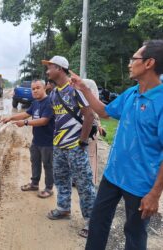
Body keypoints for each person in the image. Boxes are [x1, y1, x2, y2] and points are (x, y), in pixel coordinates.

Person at [69, 40, 163, 250]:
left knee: (135, 235)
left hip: (140, 185)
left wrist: (155, 194)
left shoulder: (161, 102)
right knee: (97, 224)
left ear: (149, 63)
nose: (130, 63)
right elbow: (104, 112)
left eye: (134, 59)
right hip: (113, 175)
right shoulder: (132, 93)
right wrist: (84, 89)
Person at [42, 56, 96, 238]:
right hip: (59, 146)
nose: (47, 71)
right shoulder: (54, 93)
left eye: (49, 67)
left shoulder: (75, 89)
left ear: (59, 68)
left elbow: (89, 115)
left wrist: (82, 141)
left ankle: (92, 221)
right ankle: (63, 208)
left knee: (84, 184)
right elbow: (55, 118)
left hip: (75, 146)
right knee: (61, 179)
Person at [0, 79, 55, 198]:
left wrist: (25, 123)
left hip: (48, 142)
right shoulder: (35, 102)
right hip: (36, 140)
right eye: (33, 88)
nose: (35, 90)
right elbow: (26, 114)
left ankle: (49, 188)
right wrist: (11, 118)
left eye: (38, 88)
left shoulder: (49, 102)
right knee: (35, 162)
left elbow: (44, 121)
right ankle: (34, 184)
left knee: (48, 165)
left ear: (44, 88)